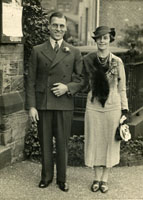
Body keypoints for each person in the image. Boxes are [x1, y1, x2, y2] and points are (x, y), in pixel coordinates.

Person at [26, 11, 84, 192]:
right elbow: (31, 80)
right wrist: (32, 106)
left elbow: (81, 80)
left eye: (62, 26)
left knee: (62, 143)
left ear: (66, 29)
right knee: (45, 142)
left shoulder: (74, 52)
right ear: (49, 26)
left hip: (64, 104)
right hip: (44, 104)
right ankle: (46, 177)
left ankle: (62, 179)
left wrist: (67, 88)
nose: (58, 29)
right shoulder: (37, 50)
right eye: (55, 25)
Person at [83, 26, 129, 193]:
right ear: (95, 40)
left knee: (110, 141)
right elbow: (81, 82)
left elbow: (122, 87)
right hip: (93, 106)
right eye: (99, 38)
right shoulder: (88, 60)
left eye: (105, 37)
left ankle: (105, 179)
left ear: (110, 39)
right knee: (95, 140)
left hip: (113, 107)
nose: (102, 40)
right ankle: (96, 177)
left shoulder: (117, 62)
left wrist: (125, 110)